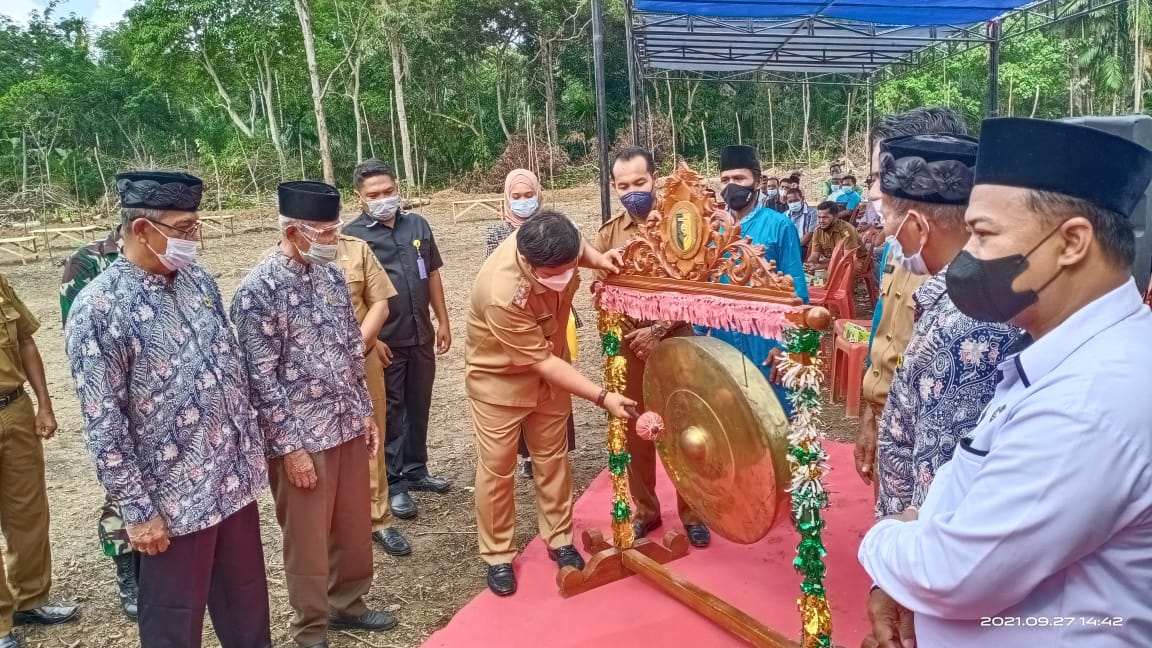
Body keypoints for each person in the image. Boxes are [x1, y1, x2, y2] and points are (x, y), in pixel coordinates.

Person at [860, 117, 1152, 647]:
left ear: (1071, 243)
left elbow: (955, 573)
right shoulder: (1053, 355)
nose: (968, 255)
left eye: (983, 234)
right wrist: (917, 527)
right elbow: (955, 485)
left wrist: (882, 538)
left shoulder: (1087, 403)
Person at [65, 171, 270, 648]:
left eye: (195, 227)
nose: (193, 240)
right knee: (173, 626)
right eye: (183, 229)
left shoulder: (197, 280)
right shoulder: (99, 308)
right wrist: (137, 511)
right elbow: (103, 423)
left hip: (232, 482)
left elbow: (229, 368)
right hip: (171, 501)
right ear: (141, 230)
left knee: (247, 608)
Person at [231, 181, 393, 647]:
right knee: (308, 543)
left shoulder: (331, 277)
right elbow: (259, 381)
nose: (330, 240)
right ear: (292, 232)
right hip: (301, 438)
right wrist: (289, 449)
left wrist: (364, 412)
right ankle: (311, 628)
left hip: (344, 422)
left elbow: (349, 348)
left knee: (354, 529)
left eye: (333, 230)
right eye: (321, 232)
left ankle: (348, 604)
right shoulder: (257, 291)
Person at [468, 209, 635, 596]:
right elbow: (539, 361)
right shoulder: (501, 292)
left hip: (552, 376)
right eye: (552, 274)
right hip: (501, 383)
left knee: (553, 460)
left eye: (569, 267)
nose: (563, 280)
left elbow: (580, 250)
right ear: (529, 262)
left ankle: (560, 539)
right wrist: (602, 396)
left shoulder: (562, 240)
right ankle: (498, 556)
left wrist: (598, 259)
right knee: (497, 470)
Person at [870, 133, 1025, 521]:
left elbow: (939, 478)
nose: (886, 232)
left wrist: (904, 567)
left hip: (920, 554)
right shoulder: (952, 300)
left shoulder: (967, 324)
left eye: (888, 216)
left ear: (919, 227)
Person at [594, 146, 710, 547]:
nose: (632, 192)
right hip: (628, 347)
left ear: (655, 180)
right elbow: (600, 289)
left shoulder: (681, 223)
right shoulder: (608, 233)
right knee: (633, 427)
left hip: (676, 340)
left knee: (684, 425)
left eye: (640, 183)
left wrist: (658, 328)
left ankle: (694, 511)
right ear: (614, 186)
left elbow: (695, 288)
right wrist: (628, 332)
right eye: (623, 185)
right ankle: (646, 511)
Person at [854, 107, 966, 491]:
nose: (872, 192)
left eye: (881, 177)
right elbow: (881, 334)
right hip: (887, 416)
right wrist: (868, 415)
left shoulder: (966, 288)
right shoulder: (898, 248)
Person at [343, 159, 451, 521]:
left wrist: (443, 321)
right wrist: (371, 339)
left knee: (419, 403)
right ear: (359, 198)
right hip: (385, 342)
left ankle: (417, 468)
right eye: (374, 194)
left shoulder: (417, 225)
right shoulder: (352, 237)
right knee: (389, 411)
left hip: (421, 332)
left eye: (388, 191)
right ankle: (395, 482)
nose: (383, 199)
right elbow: (352, 297)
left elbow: (431, 274)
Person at [59, 226, 138, 619]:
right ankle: (127, 571)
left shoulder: (168, 256)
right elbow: (78, 336)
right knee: (120, 491)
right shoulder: (85, 262)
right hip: (111, 394)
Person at [483, 168, 578, 479]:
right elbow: (500, 280)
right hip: (519, 320)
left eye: (529, 195)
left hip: (556, 314)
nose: (524, 202)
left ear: (540, 194)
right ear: (506, 200)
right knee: (527, 378)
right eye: (517, 197)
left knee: (557, 377)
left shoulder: (557, 226)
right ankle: (528, 454)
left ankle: (556, 447)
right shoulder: (497, 236)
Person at [701, 145, 808, 416]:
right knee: (733, 421)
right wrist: (700, 341)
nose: (731, 186)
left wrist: (785, 345)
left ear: (757, 182)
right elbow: (702, 286)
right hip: (724, 338)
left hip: (767, 337)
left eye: (739, 179)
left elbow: (796, 289)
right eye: (725, 180)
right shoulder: (713, 229)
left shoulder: (779, 226)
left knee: (776, 419)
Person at [333, 234, 412, 558]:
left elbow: (378, 302)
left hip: (361, 357)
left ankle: (378, 519)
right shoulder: (283, 263)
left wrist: (359, 347)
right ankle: (341, 522)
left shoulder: (356, 249)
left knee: (371, 437)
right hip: (309, 370)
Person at [805, 200, 866, 274]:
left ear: (836, 217)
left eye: (825, 217)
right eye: (819, 217)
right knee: (810, 273)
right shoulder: (817, 231)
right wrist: (810, 264)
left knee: (848, 269)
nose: (821, 221)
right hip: (833, 260)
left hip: (855, 259)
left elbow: (847, 259)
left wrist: (820, 266)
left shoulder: (847, 230)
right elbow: (815, 254)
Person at [784, 187, 819, 254]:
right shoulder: (785, 214)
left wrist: (793, 247)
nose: (793, 203)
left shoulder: (812, 212)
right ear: (787, 202)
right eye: (790, 201)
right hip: (788, 246)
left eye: (796, 200)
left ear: (802, 199)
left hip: (804, 247)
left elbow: (810, 234)